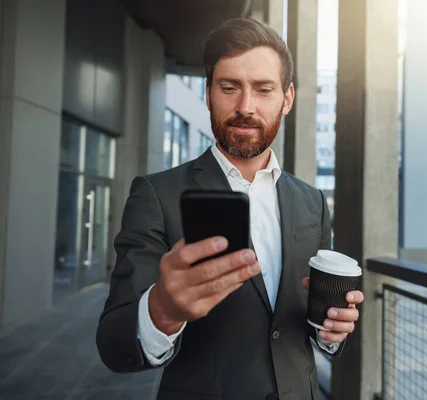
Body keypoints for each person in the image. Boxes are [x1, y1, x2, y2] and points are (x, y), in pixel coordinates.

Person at [96, 17, 364, 400]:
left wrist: (332, 333)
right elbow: (113, 344)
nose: (245, 106)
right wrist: (162, 309)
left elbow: (308, 327)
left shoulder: (312, 202)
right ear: (208, 94)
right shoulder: (156, 194)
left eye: (263, 89)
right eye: (229, 87)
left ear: (287, 99)